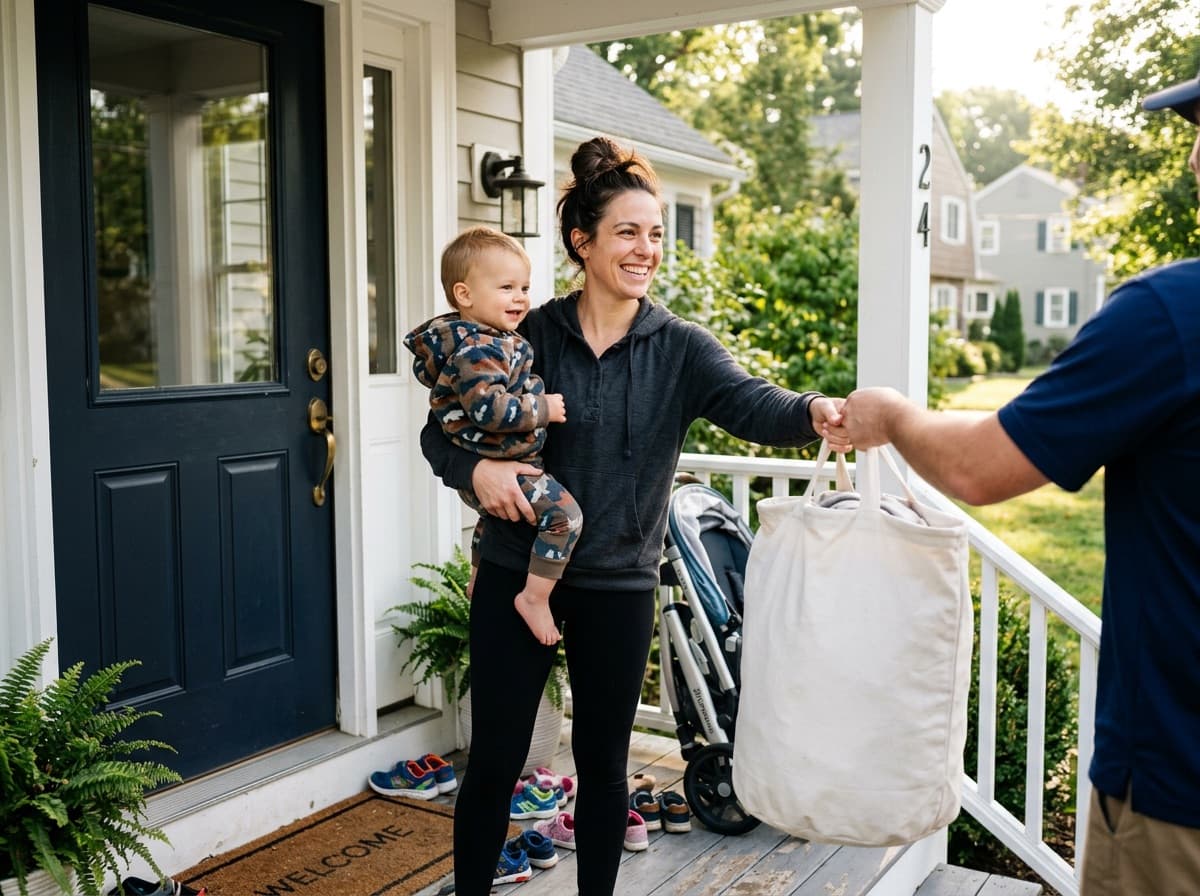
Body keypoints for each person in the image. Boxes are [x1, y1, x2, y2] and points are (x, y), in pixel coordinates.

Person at [420, 136, 848, 895]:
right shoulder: (528, 333)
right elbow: (441, 427)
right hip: (518, 571)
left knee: (604, 770)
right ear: (582, 242)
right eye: (627, 232)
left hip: (618, 584)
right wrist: (475, 467)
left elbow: (752, 400)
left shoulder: (679, 348)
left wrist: (818, 410)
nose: (646, 249)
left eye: (655, 234)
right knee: (494, 760)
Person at [833, 71, 1200, 896]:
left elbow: (977, 465)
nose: (1193, 159)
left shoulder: (1172, 315)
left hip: (1179, 797)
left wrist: (890, 413)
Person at [405, 226, 582, 646]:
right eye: (506, 287)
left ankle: (477, 574)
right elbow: (489, 410)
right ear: (464, 295)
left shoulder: (487, 339)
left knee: (490, 521)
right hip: (501, 464)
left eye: (524, 286)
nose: (521, 297)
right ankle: (535, 598)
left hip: (495, 468)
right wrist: (544, 408)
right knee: (565, 519)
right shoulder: (478, 349)